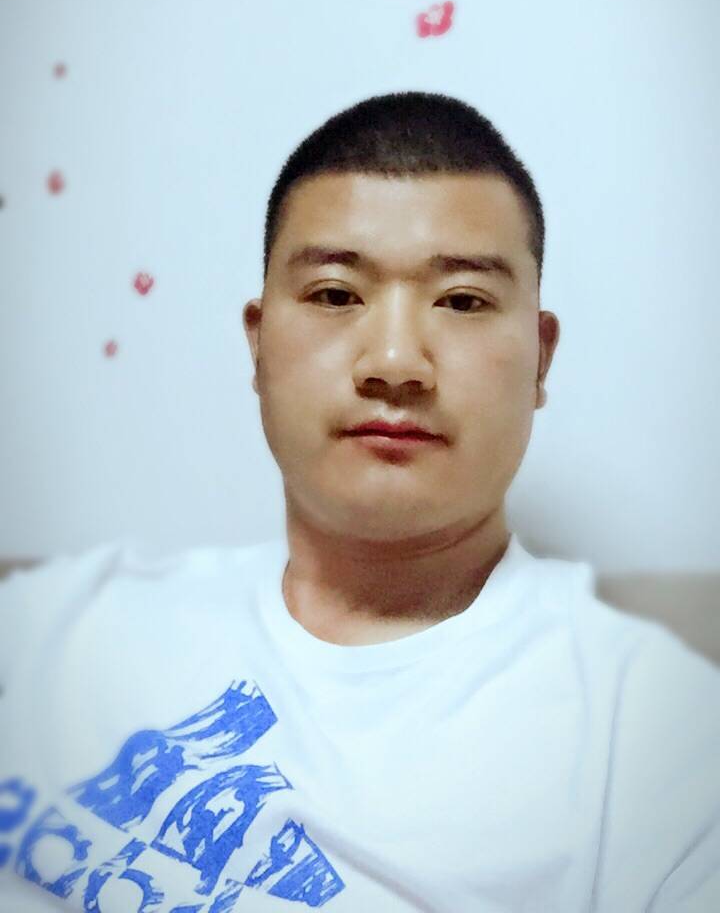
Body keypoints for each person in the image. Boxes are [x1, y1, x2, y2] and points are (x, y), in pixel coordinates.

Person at [0, 89, 718, 912]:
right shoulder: (64, 619)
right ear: (258, 342)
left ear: (540, 358)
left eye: (463, 300)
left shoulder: (663, 749)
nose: (394, 363)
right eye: (336, 294)